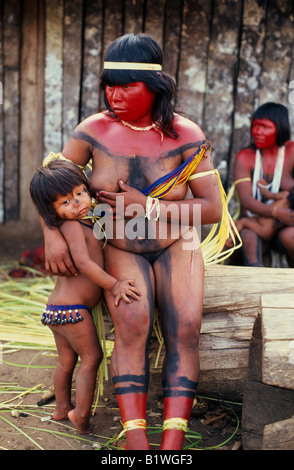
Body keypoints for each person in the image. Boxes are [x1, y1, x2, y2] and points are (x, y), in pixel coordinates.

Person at [39, 33, 222, 450]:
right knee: (133, 323)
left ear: (155, 87)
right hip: (117, 245)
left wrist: (149, 206)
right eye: (109, 84)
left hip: (179, 244)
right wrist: (52, 236)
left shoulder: (185, 134)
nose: (115, 94)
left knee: (188, 327)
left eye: (127, 85)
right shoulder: (93, 130)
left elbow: (212, 210)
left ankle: (172, 444)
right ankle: (137, 442)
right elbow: (50, 184)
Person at [30, 159, 141, 435]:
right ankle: (80, 414)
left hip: (57, 310)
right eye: (65, 202)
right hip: (74, 311)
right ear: (51, 212)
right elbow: (84, 264)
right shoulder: (71, 227)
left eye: (80, 193)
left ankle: (61, 408)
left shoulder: (86, 221)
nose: (77, 203)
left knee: (66, 362)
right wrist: (114, 284)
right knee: (92, 359)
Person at [233, 102, 294, 267]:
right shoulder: (245, 157)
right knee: (248, 236)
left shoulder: (291, 152)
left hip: (285, 226)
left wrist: (283, 215)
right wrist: (275, 212)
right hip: (254, 224)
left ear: (280, 129)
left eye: (265, 127)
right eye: (255, 126)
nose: (257, 132)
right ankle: (254, 284)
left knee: (291, 235)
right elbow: (246, 200)